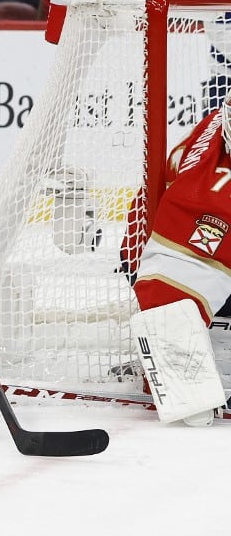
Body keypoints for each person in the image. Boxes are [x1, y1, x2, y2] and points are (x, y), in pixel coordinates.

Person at [127, 93, 231, 427]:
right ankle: (213, 347)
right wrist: (179, 360)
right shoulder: (210, 182)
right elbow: (167, 290)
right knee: (173, 302)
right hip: (174, 251)